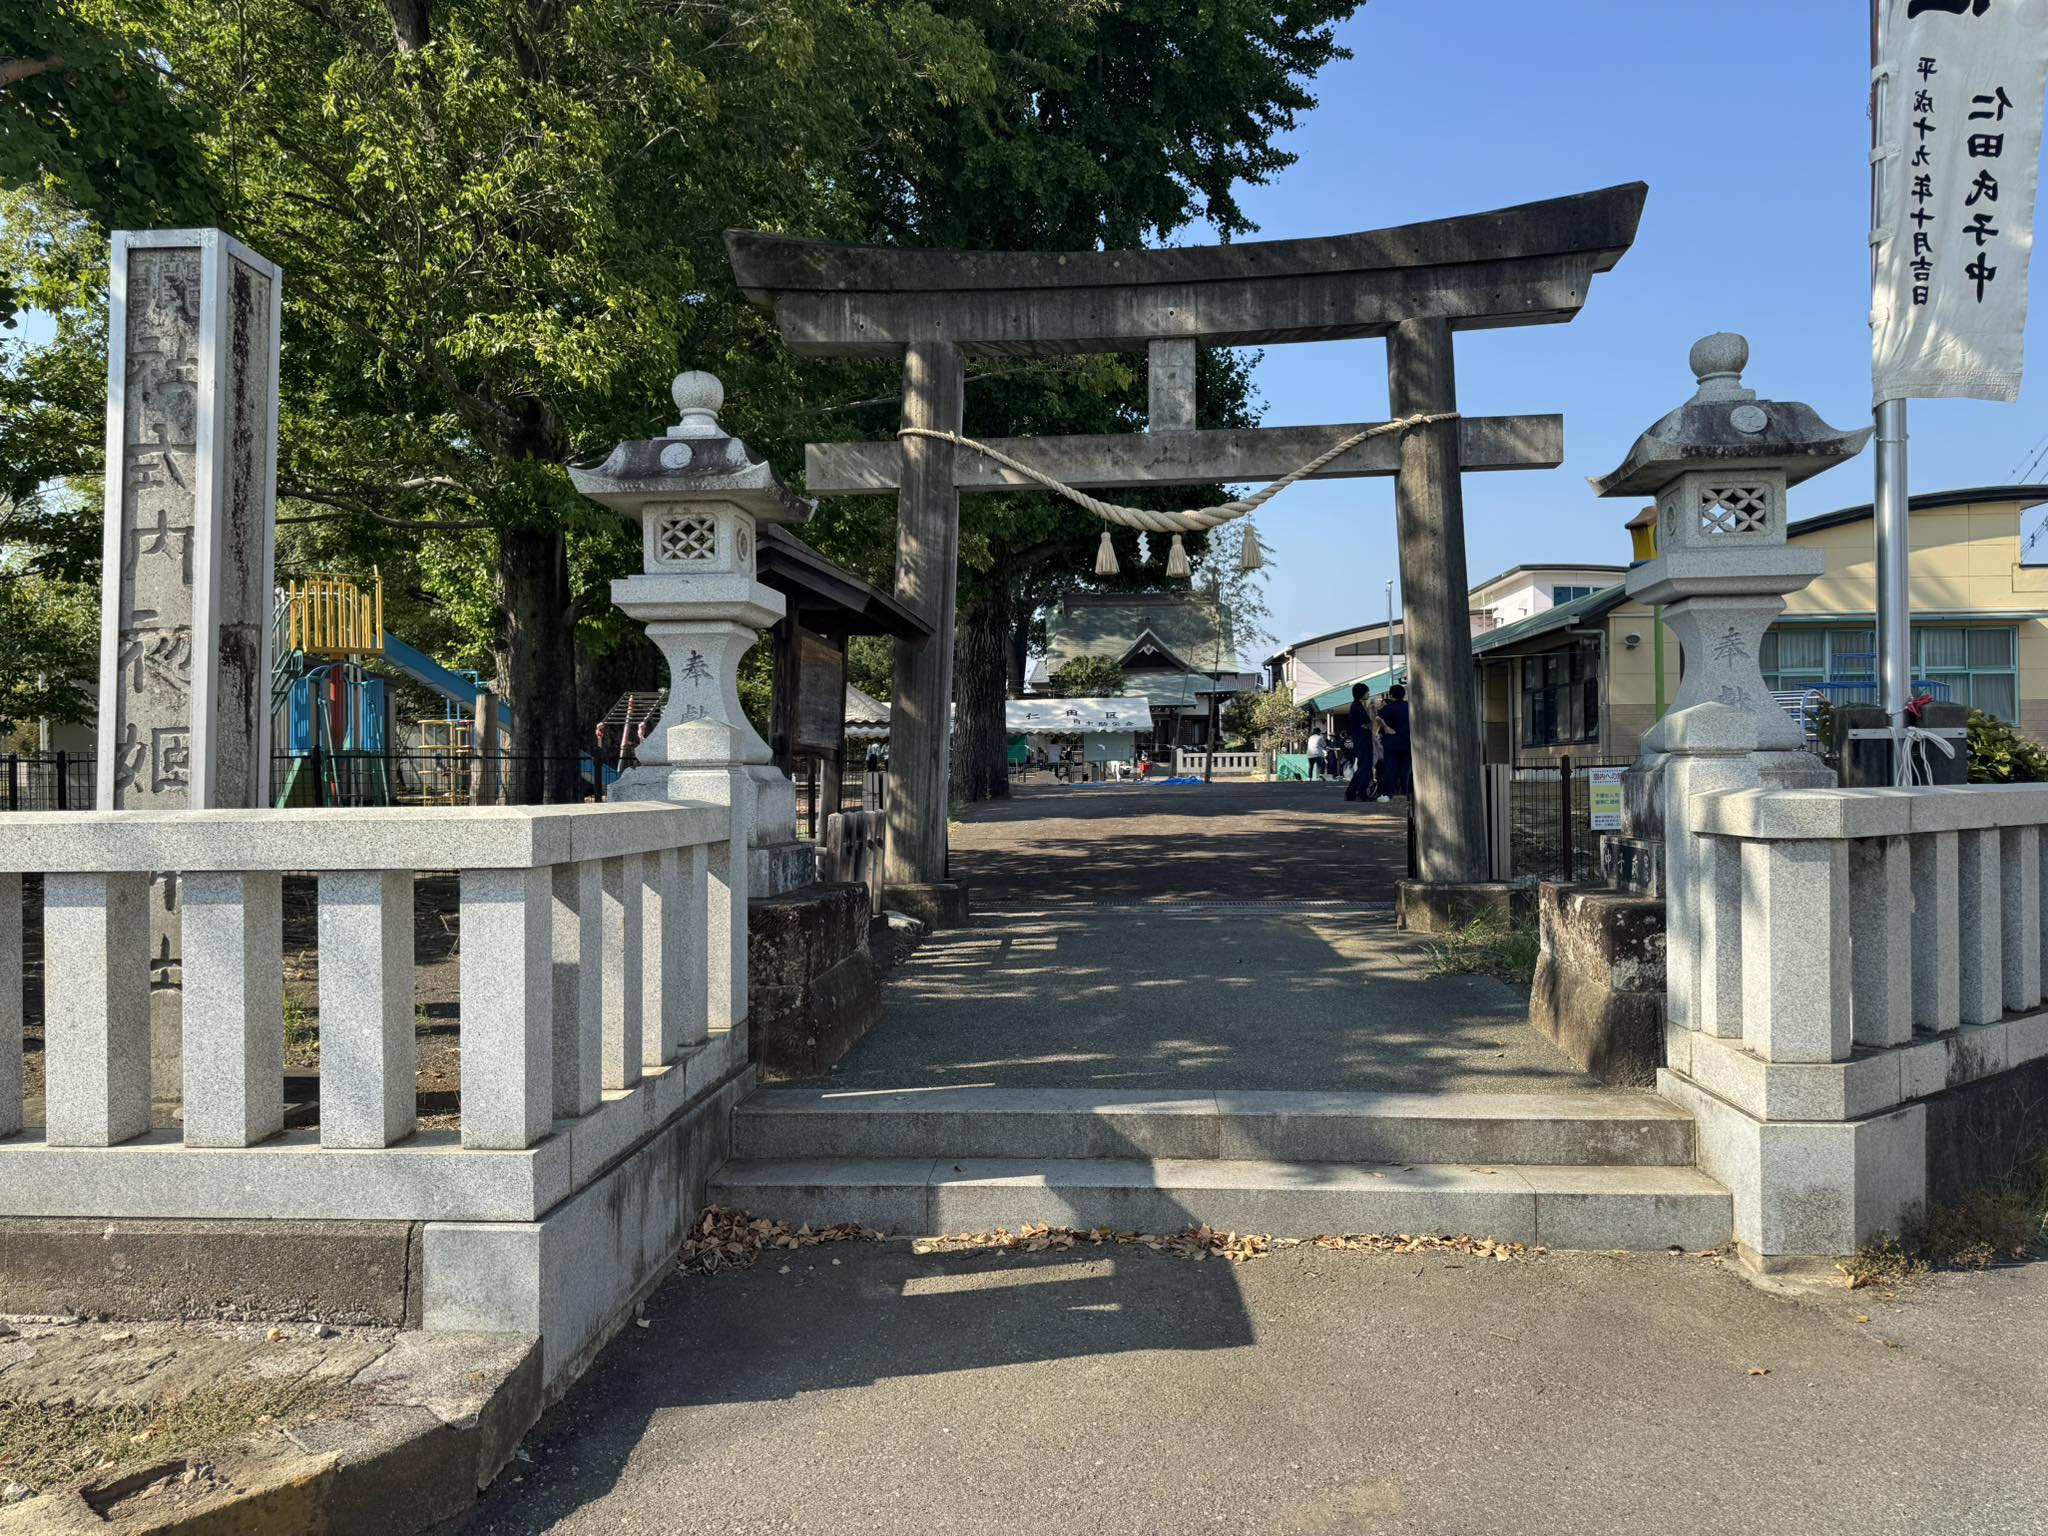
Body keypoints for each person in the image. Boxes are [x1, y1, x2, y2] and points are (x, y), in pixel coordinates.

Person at [1377, 683, 1412, 800]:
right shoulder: (1410, 707)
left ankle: (1387, 794)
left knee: (1390, 769)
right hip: (1407, 743)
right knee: (1406, 769)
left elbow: (1378, 717)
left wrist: (1386, 727)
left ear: (1391, 695)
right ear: (1403, 694)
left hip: (1391, 743)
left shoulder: (1388, 708)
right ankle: (1407, 793)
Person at [1344, 683, 1374, 802]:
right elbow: (1368, 722)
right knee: (1365, 768)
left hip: (1359, 739)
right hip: (1363, 740)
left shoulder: (1355, 706)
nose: (1368, 694)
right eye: (1367, 692)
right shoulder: (1357, 706)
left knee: (1362, 767)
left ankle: (1351, 792)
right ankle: (1361, 793)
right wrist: (1371, 709)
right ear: (1361, 693)